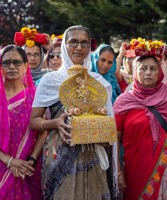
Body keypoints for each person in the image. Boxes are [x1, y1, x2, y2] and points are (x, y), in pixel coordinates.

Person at [29, 25, 119, 200]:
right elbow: (34, 120)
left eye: (84, 43)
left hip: (94, 156)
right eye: (73, 42)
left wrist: (105, 133)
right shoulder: (51, 80)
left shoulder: (98, 82)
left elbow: (108, 123)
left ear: (89, 48)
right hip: (60, 155)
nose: (79, 47)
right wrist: (55, 123)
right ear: (64, 46)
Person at [0, 45, 42, 200]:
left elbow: (43, 131)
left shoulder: (35, 95)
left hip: (28, 166)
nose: (12, 66)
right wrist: (8, 160)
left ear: (25, 65)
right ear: (0, 66)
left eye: (17, 62)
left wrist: (31, 159)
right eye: (6, 63)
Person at [114, 55, 167, 200]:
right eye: (143, 68)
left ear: (160, 73)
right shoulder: (124, 101)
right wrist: (118, 172)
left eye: (153, 68)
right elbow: (115, 139)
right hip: (135, 168)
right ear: (135, 71)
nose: (148, 72)